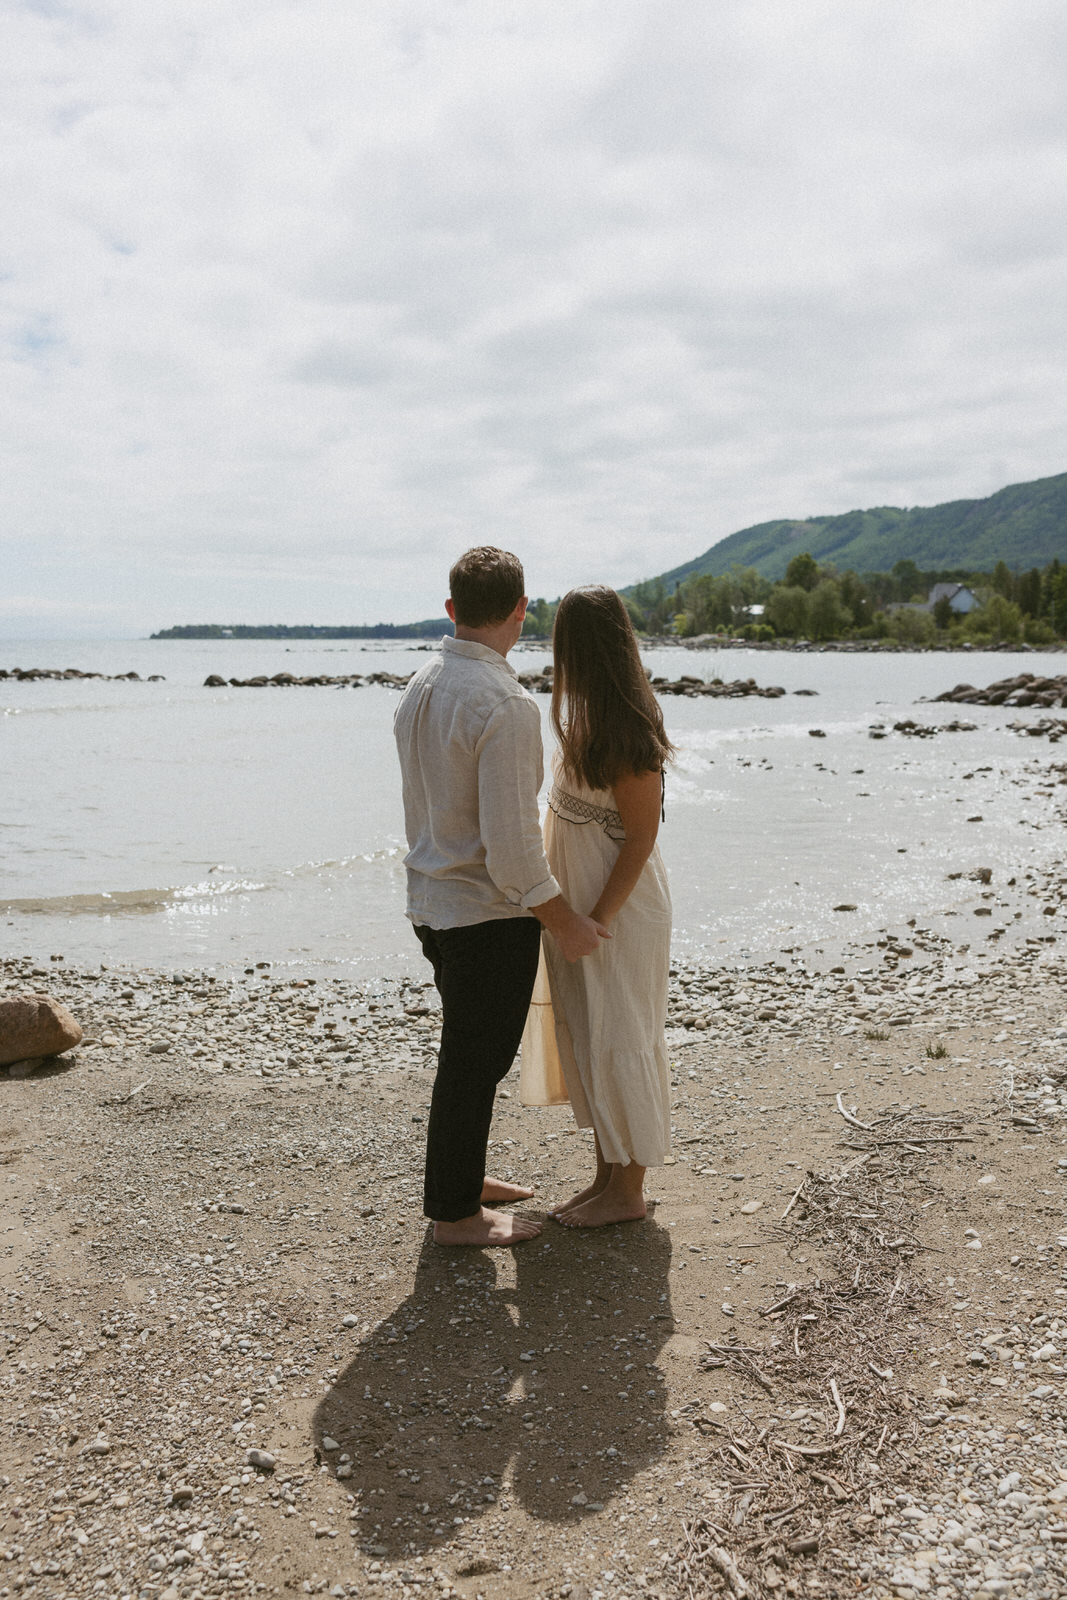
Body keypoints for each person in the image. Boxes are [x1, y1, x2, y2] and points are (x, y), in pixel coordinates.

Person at [393, 547, 609, 1248]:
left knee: (467, 1056)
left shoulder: (421, 682)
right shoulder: (506, 705)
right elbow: (511, 849)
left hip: (431, 902)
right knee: (473, 1062)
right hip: (485, 913)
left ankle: (461, 1179)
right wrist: (565, 920)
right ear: (520, 611)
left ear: (451, 609)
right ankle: (454, 1216)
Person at [520, 586, 673, 1228]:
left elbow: (640, 839)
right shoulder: (584, 718)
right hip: (580, 910)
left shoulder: (628, 731)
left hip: (619, 912)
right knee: (590, 1034)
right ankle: (609, 1173)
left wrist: (599, 918)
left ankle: (629, 1190)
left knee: (623, 1034)